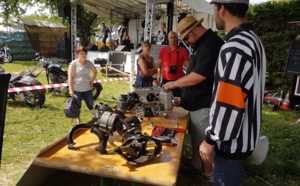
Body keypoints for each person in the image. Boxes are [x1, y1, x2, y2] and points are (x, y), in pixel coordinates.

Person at [199, 0, 266, 185]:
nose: (214, 14)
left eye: (213, 8)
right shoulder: (254, 40)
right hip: (245, 139)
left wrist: (210, 139)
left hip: (230, 145)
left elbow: (229, 103)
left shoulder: (234, 48)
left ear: (222, 9)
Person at [162, 15, 224, 182]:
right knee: (196, 138)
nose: (187, 42)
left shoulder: (211, 44)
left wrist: (174, 84)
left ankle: (208, 176)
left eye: (187, 38)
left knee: (205, 145)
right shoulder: (202, 43)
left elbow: (198, 76)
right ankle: (196, 165)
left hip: (204, 104)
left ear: (195, 29)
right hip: (196, 103)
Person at [68, 46, 98, 124]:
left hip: (87, 88)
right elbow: (70, 78)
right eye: (81, 53)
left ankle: (97, 117)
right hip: (77, 89)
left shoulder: (89, 63)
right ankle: (79, 120)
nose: (84, 55)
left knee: (91, 104)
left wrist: (92, 81)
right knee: (78, 105)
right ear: (77, 54)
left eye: (85, 53)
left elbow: (95, 72)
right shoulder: (73, 64)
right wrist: (71, 89)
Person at [157, 31, 189, 97]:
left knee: (178, 100)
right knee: (165, 99)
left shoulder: (183, 50)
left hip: (179, 81)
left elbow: (187, 65)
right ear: (168, 38)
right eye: (171, 37)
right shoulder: (163, 50)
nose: (172, 39)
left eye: (174, 38)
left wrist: (188, 77)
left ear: (177, 38)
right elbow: (159, 64)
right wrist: (158, 74)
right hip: (166, 80)